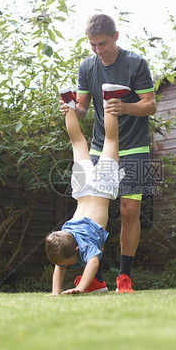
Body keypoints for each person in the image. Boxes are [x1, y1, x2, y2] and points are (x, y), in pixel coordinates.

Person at [60, 14, 157, 293]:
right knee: (91, 214)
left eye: (102, 43)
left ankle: (124, 277)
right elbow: (82, 108)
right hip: (100, 148)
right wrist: (71, 111)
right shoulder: (87, 68)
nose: (98, 50)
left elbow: (150, 105)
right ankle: (97, 280)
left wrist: (125, 107)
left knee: (129, 211)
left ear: (115, 37)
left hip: (135, 147)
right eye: (92, 45)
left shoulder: (135, 64)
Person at [46, 85, 128, 295]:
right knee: (77, 142)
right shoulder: (65, 236)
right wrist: (55, 293)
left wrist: (81, 288)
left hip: (101, 188)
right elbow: (59, 263)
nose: (68, 265)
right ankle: (68, 102)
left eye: (69, 263)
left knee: (111, 140)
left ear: (77, 251)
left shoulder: (85, 244)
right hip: (82, 188)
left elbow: (92, 263)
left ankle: (108, 97)